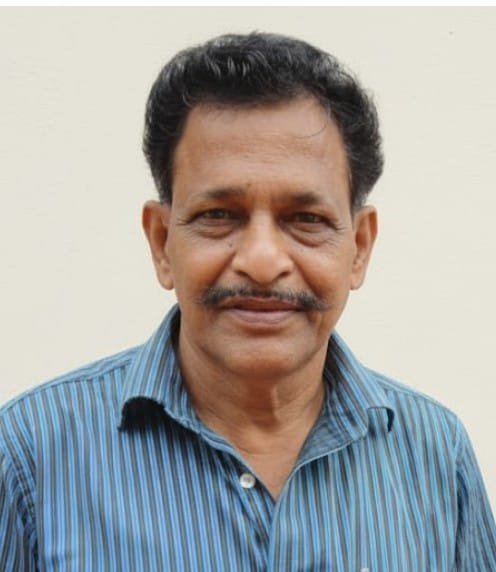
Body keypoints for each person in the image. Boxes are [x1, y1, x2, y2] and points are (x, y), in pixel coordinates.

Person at [1, 32, 495, 572]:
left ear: (358, 247)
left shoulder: (435, 456)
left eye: (306, 219)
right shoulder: (31, 457)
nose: (262, 261)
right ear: (161, 242)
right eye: (219, 215)